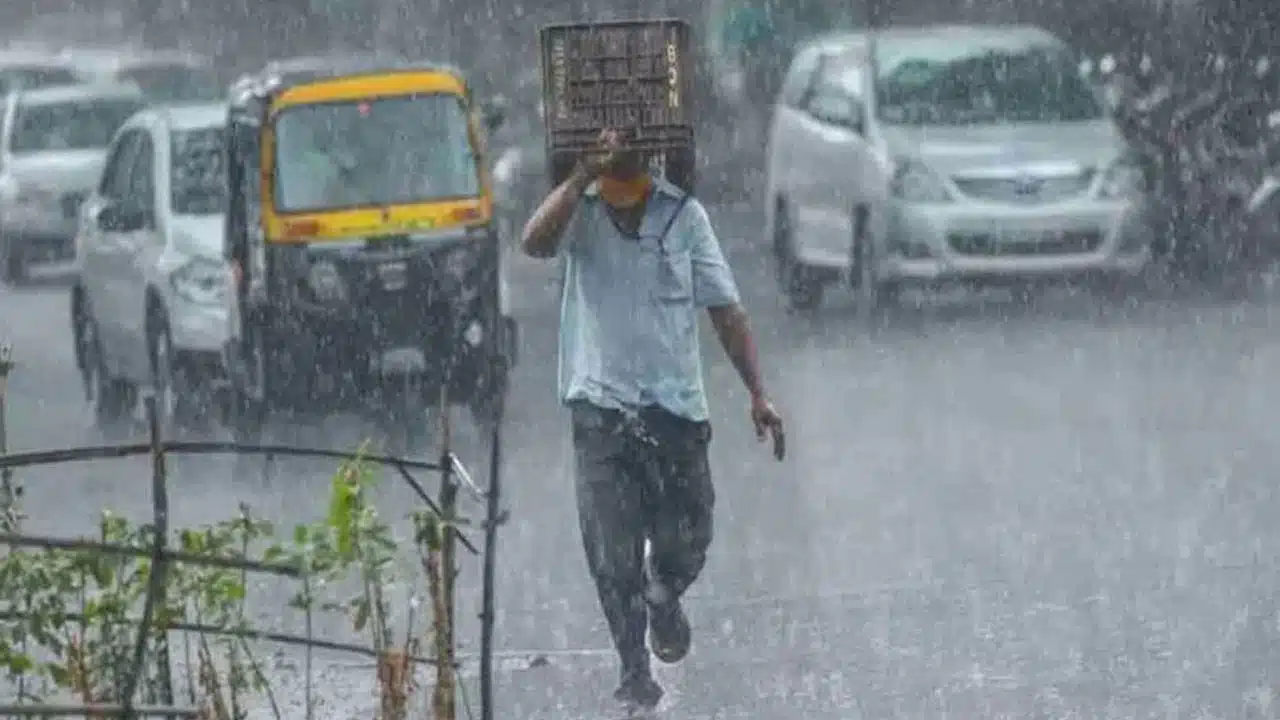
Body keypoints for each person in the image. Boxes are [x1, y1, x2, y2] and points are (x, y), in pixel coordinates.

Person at [520, 130, 785, 712]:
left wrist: (757, 394)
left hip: (674, 412)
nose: (621, 147)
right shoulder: (581, 212)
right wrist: (583, 173)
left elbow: (726, 309)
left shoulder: (684, 217)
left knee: (689, 536)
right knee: (611, 555)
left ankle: (664, 595)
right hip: (600, 411)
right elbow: (534, 243)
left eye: (630, 139)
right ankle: (634, 668)